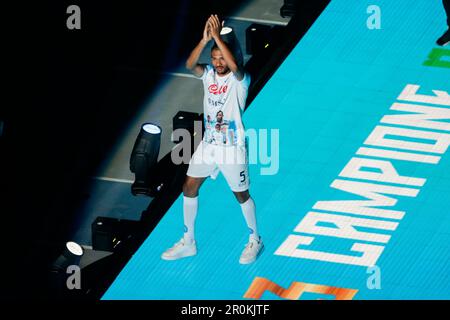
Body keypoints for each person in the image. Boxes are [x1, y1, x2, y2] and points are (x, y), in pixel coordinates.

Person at [161, 14, 263, 264]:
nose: (217, 62)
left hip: (232, 149)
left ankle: (255, 240)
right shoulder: (208, 75)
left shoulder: (241, 81)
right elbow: (189, 64)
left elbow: (236, 68)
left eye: (221, 58)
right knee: (189, 187)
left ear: (230, 57)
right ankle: (188, 242)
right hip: (209, 145)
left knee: (241, 195)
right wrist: (205, 39)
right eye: (214, 57)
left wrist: (217, 36)